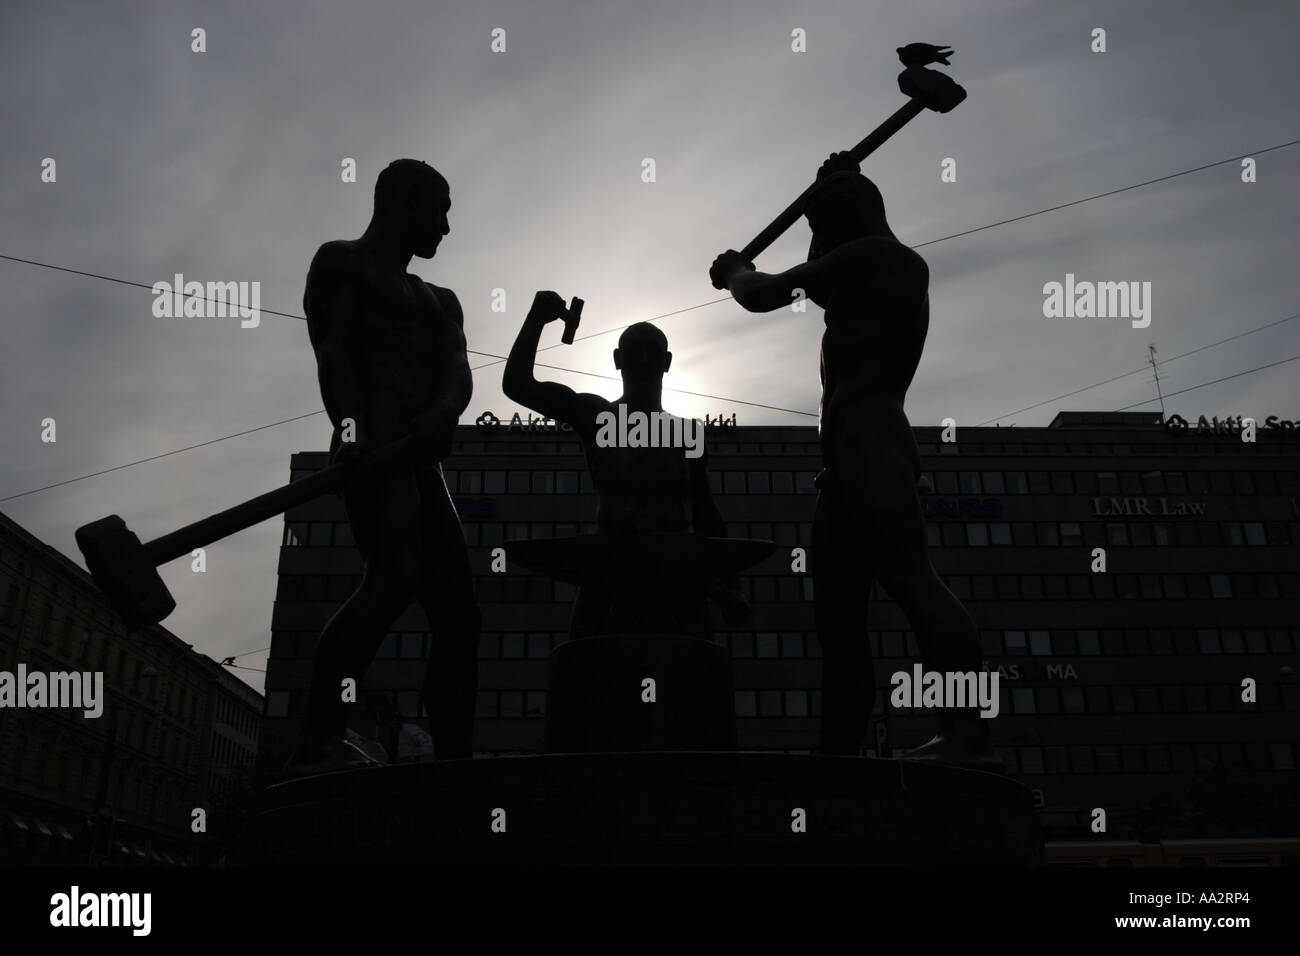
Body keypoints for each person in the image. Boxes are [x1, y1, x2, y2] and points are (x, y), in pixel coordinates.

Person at [709, 152, 1000, 769]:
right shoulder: (870, 271)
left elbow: (763, 294)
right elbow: (821, 285)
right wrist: (830, 183)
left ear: (840, 223)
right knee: (837, 620)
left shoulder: (876, 257)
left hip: (871, 439)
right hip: (845, 456)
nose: (813, 243)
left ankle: (966, 732)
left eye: (819, 227)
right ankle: (836, 759)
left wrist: (737, 270)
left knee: (910, 578)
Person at [285, 159, 480, 776]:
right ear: (404, 198)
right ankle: (319, 741)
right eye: (440, 207)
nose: (447, 225)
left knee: (459, 610)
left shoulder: (440, 301)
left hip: (421, 457)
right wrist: (351, 435)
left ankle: (454, 762)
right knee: (393, 577)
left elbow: (458, 371)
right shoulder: (341, 263)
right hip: (373, 447)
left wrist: (445, 412)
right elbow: (333, 353)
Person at [503, 299, 748, 638]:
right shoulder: (596, 417)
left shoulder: (686, 433)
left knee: (690, 677)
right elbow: (517, 385)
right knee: (591, 678)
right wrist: (535, 319)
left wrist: (730, 585)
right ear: (618, 360)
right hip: (608, 577)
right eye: (634, 352)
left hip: (677, 582)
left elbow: (707, 513)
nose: (643, 361)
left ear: (667, 362)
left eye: (652, 352)